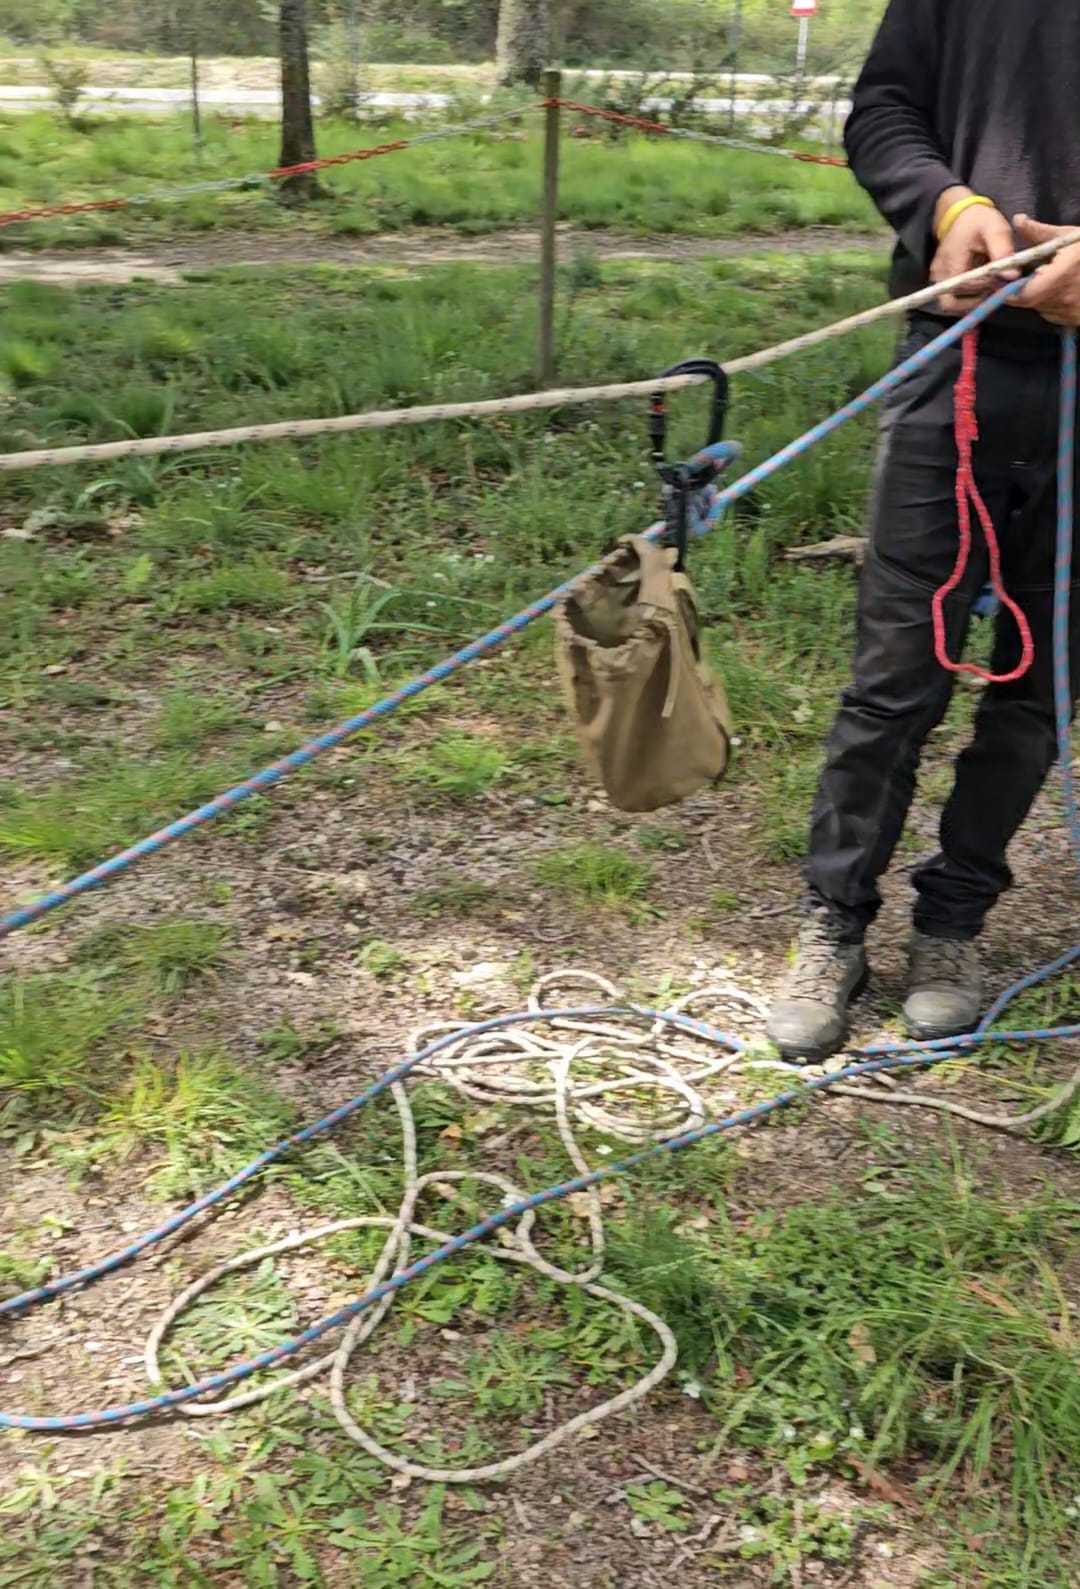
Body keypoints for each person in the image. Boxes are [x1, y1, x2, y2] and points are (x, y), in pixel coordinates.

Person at [765, 0, 1080, 1060]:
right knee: (897, 665)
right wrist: (944, 207)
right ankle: (834, 919)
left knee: (1041, 684)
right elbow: (885, 108)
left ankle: (953, 922)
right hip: (956, 354)